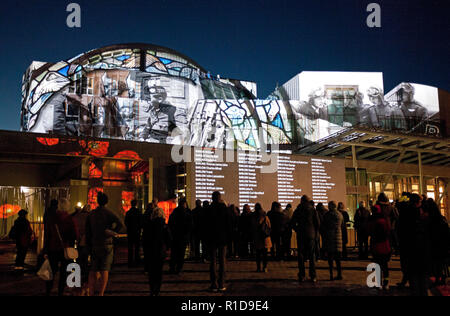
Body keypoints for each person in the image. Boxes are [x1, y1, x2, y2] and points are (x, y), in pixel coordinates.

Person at [86, 192, 124, 296]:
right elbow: (120, 223)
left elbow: (87, 231)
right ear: (106, 201)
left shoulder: (92, 214)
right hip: (107, 243)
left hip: (94, 243)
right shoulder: (108, 213)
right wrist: (112, 231)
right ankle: (101, 293)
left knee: (93, 269)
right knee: (104, 269)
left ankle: (91, 292)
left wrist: (88, 245)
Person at [43, 198, 78, 296]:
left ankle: (48, 291)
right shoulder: (70, 219)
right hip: (65, 249)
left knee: (51, 271)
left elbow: (48, 234)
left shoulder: (52, 218)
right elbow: (75, 235)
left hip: (52, 248)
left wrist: (45, 249)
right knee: (64, 272)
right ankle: (60, 291)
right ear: (67, 207)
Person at [204, 191, 232, 292]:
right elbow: (229, 224)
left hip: (211, 238)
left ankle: (213, 284)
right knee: (222, 261)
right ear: (220, 198)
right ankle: (221, 283)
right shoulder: (224, 209)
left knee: (213, 261)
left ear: (212, 198)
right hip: (222, 238)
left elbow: (205, 225)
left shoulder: (208, 209)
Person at [142, 202, 171, 296]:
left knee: (151, 271)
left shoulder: (149, 225)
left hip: (150, 250)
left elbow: (145, 238)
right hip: (160, 251)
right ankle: (157, 290)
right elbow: (168, 239)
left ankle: (152, 289)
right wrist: (168, 247)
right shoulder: (164, 226)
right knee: (159, 271)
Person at [291, 195, 320, 283]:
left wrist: (297, 230)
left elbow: (292, 223)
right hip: (311, 235)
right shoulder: (312, 210)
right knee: (312, 255)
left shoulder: (298, 210)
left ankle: (302, 275)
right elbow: (318, 223)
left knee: (301, 255)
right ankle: (313, 276)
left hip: (301, 235)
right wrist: (315, 232)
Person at [424, 198, 449, 287]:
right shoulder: (441, 219)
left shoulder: (428, 221)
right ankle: (441, 277)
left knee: (435, 263)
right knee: (440, 263)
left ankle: (438, 277)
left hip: (433, 245)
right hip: (441, 245)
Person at [368, 204, 392, 291]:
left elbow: (369, 231)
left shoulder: (372, 221)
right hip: (385, 245)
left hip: (376, 246)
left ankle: (379, 283)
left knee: (377, 265)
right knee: (385, 265)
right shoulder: (385, 220)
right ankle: (386, 283)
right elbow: (389, 231)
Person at [168, 198, 192, 274]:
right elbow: (190, 226)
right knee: (181, 254)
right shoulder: (187, 213)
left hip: (175, 236)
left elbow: (170, 224)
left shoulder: (174, 212)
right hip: (183, 237)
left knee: (174, 253)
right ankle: (179, 268)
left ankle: (172, 268)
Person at [72, 204, 91, 295]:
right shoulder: (89, 217)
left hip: (79, 241)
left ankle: (77, 280)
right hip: (87, 242)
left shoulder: (76, 216)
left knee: (79, 260)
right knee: (85, 261)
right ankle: (85, 280)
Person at [322, 201, 344, 281]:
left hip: (330, 238)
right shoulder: (340, 214)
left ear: (331, 206)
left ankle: (331, 274)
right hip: (338, 238)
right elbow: (342, 225)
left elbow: (324, 225)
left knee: (330, 259)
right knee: (338, 260)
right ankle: (339, 274)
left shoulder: (328, 215)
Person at [252, 203, 272, 272]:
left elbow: (253, 227)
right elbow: (269, 226)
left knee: (258, 254)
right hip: (265, 238)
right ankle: (265, 267)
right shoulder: (265, 216)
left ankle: (258, 267)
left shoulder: (254, 217)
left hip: (257, 237)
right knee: (265, 254)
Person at [125, 200, 142, 267]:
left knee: (130, 248)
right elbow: (141, 222)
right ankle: (137, 261)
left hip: (130, 232)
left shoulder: (128, 212)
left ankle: (130, 262)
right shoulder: (138, 212)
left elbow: (126, 222)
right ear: (136, 204)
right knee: (137, 247)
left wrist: (129, 227)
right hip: (137, 232)